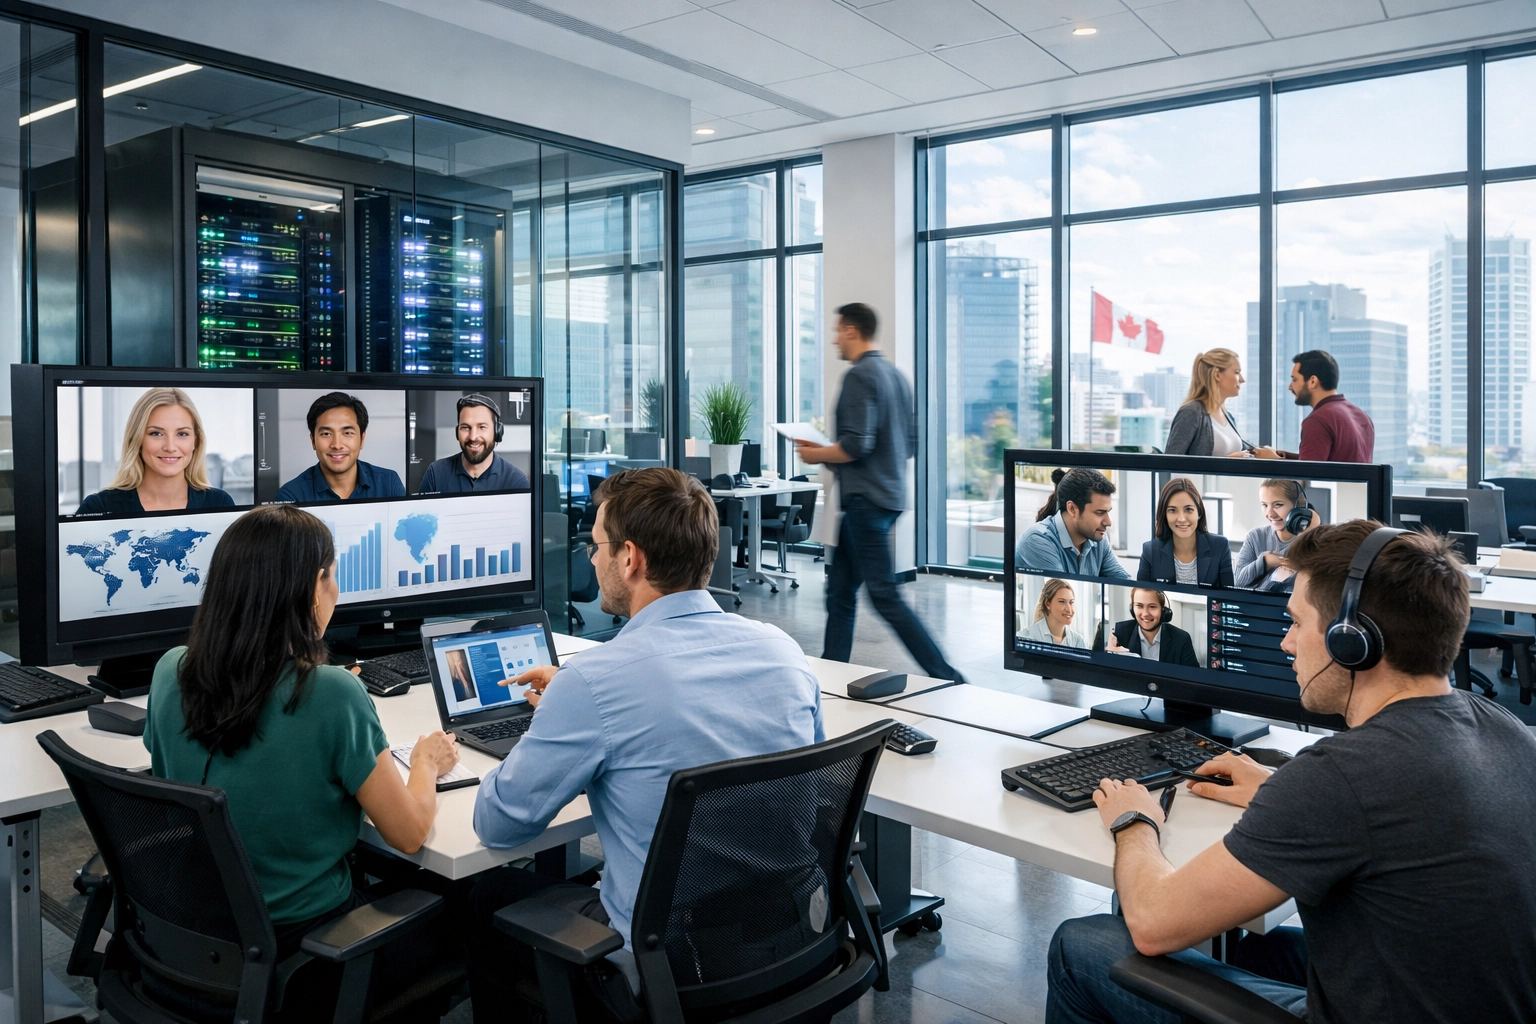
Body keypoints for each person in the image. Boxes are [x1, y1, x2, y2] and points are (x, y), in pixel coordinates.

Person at [1046, 520, 1536, 1024]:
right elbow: (1400, 816)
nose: (1285, 643)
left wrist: (1134, 822)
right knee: (1252, 947)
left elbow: (1153, 922)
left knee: (1084, 942)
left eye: (1297, 623)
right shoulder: (1505, 728)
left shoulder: (1340, 776)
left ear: (1353, 641)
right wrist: (1279, 788)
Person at [467, 467, 824, 1020]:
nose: (591, 558)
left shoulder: (595, 681)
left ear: (630, 558)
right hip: (784, 942)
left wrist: (553, 724)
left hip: (662, 972)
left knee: (481, 901)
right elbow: (805, 786)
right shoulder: (783, 651)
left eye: (597, 545)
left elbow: (499, 823)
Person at [144, 504, 461, 1021]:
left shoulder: (170, 671)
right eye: (333, 576)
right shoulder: (332, 692)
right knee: (465, 913)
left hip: (192, 935)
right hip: (305, 949)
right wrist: (425, 762)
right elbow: (407, 835)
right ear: (315, 586)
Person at [795, 302, 967, 684]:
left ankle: (948, 676)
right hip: (887, 498)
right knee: (839, 593)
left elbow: (856, 445)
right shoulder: (895, 376)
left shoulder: (860, 376)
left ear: (853, 330)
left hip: (865, 504)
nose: (835, 338)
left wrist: (814, 452)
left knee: (884, 596)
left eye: (838, 330)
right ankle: (829, 670)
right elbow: (907, 444)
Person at [76, 388, 236, 515]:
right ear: (137, 439)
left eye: (182, 434)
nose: (170, 447)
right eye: (156, 433)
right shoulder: (98, 507)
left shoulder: (219, 503)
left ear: (196, 440)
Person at [275, 392, 406, 503]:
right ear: (313, 441)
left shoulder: (388, 483)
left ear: (362, 439)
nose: (337, 445)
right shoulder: (291, 496)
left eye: (347, 433)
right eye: (326, 434)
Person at [1017, 468, 1132, 579]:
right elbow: (1061, 592)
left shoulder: (1098, 538)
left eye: (1108, 512)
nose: (1108, 522)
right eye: (1100, 512)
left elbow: (1123, 581)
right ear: (1072, 509)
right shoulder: (1036, 540)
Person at [1162, 350, 1272, 458]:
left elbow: (1238, 454)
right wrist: (1227, 461)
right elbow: (1170, 462)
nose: (1242, 379)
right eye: (1237, 372)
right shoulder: (1192, 411)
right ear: (1217, 374)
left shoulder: (1228, 417)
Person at [1272, 351, 1375, 463]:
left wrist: (1273, 460)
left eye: (1294, 379)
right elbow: (1332, 463)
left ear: (1312, 381)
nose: (1290, 387)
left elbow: (1307, 475)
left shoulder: (1318, 420)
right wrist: (1286, 457)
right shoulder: (1362, 416)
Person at [416, 393, 531, 493]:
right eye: (465, 427)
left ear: (497, 432)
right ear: (457, 432)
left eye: (482, 427)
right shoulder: (436, 473)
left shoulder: (516, 481)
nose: (473, 436)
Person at [1136, 477, 1235, 588]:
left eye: (1188, 509)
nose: (1182, 519)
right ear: (1165, 515)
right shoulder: (1150, 551)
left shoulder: (1219, 546)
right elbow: (1142, 597)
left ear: (1199, 512)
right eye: (1172, 510)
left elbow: (1229, 600)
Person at [1234, 479, 1318, 590]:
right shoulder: (1255, 536)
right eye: (1264, 505)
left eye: (1278, 505)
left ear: (1299, 507)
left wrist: (1309, 532)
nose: (1270, 513)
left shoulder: (1312, 542)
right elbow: (1238, 582)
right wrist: (1265, 562)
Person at [1104, 588, 1200, 667]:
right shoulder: (1120, 632)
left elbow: (1194, 679)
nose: (1145, 614)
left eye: (1152, 607)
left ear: (1163, 610)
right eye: (1139, 606)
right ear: (1132, 609)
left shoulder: (1181, 639)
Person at [1024, 578, 1089, 648]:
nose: (1069, 610)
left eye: (1071, 602)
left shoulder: (1078, 641)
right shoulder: (1026, 637)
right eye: (1062, 602)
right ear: (1048, 604)